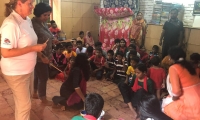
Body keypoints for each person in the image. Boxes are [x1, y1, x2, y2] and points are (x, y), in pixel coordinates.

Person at [0, 0, 47, 120]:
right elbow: (5, 52)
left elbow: (30, 42)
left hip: (27, 70)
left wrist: (40, 54)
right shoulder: (11, 24)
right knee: (25, 106)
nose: (33, 6)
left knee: (23, 103)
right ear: (19, 3)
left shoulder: (27, 20)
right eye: (30, 3)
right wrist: (33, 48)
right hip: (16, 72)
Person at [162, 47, 200, 119]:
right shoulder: (190, 65)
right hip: (197, 97)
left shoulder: (173, 68)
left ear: (171, 57)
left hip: (188, 101)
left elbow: (176, 92)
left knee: (166, 107)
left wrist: (172, 99)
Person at [32, 2, 56, 104]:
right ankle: (43, 98)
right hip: (39, 56)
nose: (47, 17)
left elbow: (48, 35)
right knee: (44, 76)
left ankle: (34, 93)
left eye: (48, 15)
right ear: (38, 13)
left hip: (45, 55)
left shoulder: (43, 23)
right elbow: (33, 43)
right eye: (45, 15)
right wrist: (42, 57)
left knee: (38, 75)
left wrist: (53, 40)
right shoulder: (33, 25)